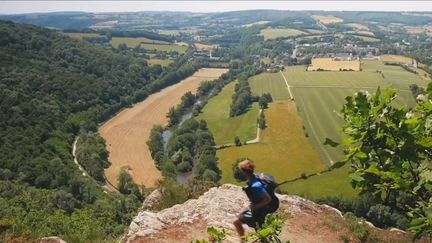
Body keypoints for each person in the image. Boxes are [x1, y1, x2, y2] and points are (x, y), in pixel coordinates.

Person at [233, 159, 272, 236]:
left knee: (236, 222)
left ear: (244, 172)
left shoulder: (256, 185)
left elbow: (267, 199)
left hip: (259, 210)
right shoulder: (256, 176)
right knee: (261, 232)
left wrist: (254, 207)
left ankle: (243, 240)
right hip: (258, 208)